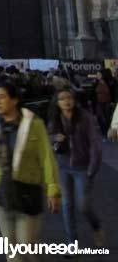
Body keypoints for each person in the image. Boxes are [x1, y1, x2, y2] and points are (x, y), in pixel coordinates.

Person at [0, 81, 60, 259]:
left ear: (15, 100)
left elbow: (46, 157)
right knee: (11, 251)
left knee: (28, 246)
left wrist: (53, 189)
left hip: (28, 192)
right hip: (3, 194)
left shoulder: (34, 124)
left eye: (2, 97)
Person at [46, 88, 103, 247]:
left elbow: (94, 143)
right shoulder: (55, 119)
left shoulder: (85, 117)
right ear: (57, 103)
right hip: (63, 167)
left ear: (74, 99)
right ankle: (71, 242)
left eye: (69, 97)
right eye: (62, 98)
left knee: (84, 206)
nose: (66, 101)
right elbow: (47, 137)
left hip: (83, 167)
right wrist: (54, 138)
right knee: (67, 204)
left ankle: (96, 226)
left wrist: (92, 168)